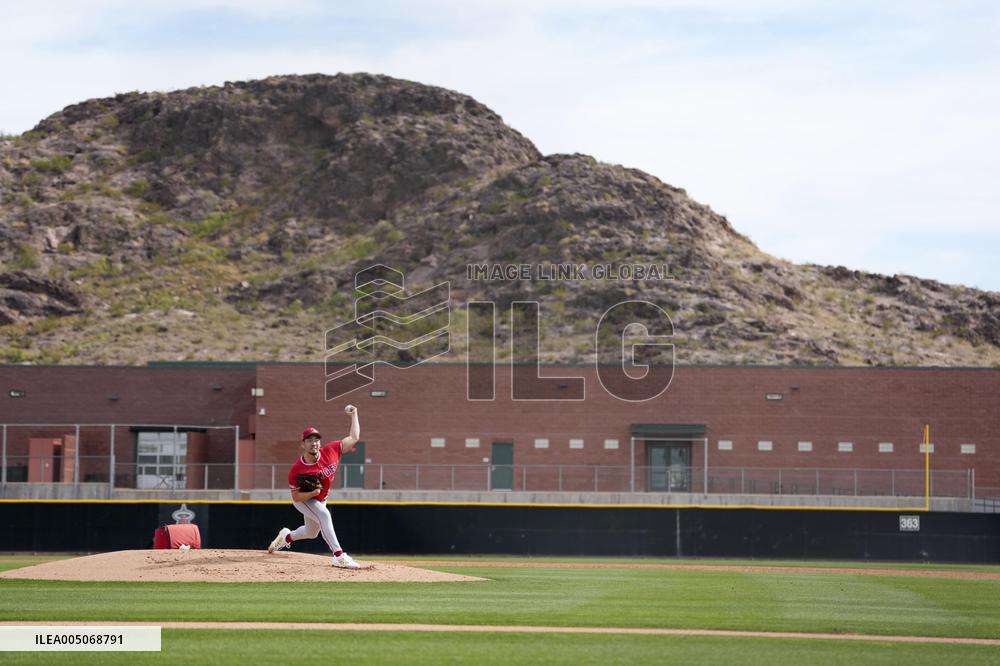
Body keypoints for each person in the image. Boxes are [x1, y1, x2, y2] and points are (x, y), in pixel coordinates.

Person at [267, 405, 361, 568]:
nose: (314, 443)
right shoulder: (297, 469)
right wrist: (312, 493)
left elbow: (354, 437)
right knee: (324, 515)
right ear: (303, 444)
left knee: (311, 533)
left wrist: (354, 415)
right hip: (304, 500)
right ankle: (339, 555)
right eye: (309, 440)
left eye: (316, 439)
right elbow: (296, 497)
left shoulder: (331, 450)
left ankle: (285, 537)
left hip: (320, 498)